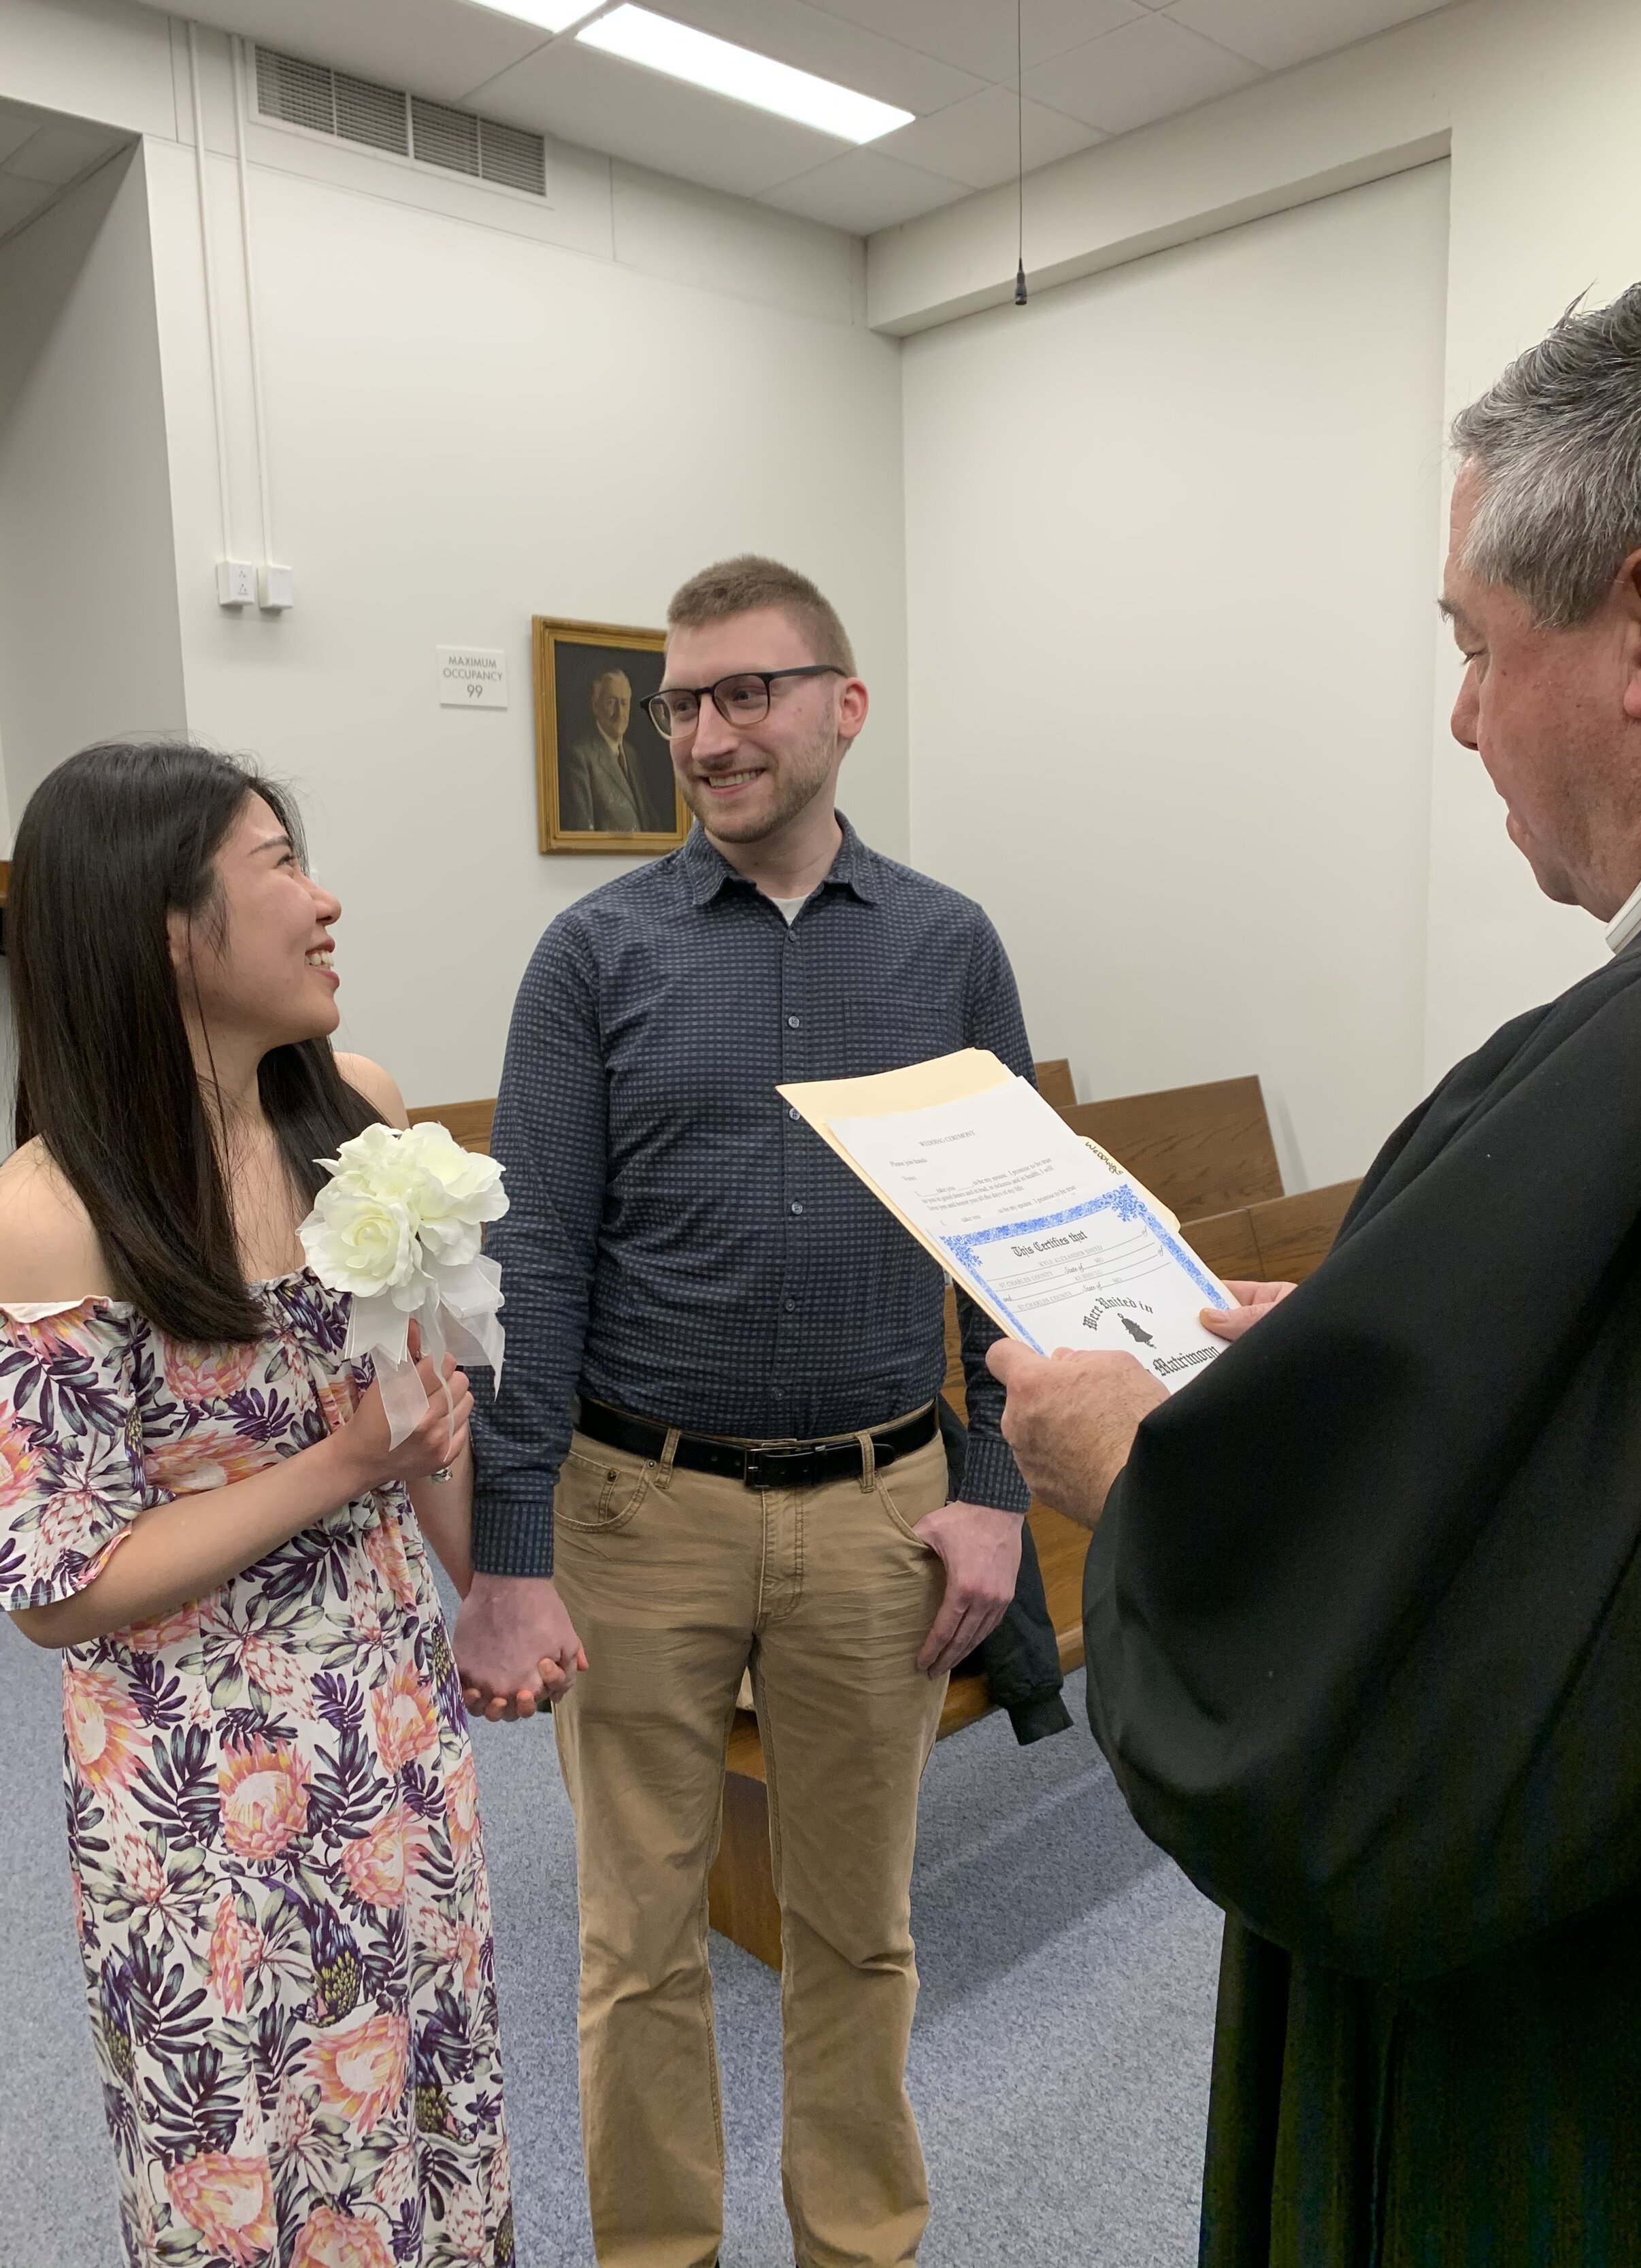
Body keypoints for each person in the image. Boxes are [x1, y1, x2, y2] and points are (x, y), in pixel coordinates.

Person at [989, 268, 1641, 2266]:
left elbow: (1385, 1729)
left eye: (1475, 646)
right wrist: (1380, 1375)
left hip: (1578, 2094)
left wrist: (1132, 1462)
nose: (1458, 713)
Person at [454, 555, 1034, 2268]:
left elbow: (1001, 1241)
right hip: (642, 1510)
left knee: (857, 1929)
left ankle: (857, 2239)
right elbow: (535, 1257)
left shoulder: (947, 947)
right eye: (680, 704)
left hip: (882, 1507)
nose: (707, 736)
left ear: (843, 707)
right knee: (638, 1937)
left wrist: (993, 1482)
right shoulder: (592, 958)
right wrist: (513, 1548)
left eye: (745, 694)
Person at [0, 742, 524, 2268]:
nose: (325, 898)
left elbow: (421, 1402)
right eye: (280, 862)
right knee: (248, 2131)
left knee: (426, 2086)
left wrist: (491, 1584)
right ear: (170, 927)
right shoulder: (49, 1210)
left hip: (387, 1712)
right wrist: (340, 1465)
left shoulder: (354, 1109)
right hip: (189, 1779)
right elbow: (60, 1584)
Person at [558, 665, 676, 834]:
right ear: (595, 706)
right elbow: (582, 828)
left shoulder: (631, 754)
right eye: (611, 703)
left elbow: (648, 818)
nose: (619, 713)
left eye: (624, 703)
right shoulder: (581, 756)